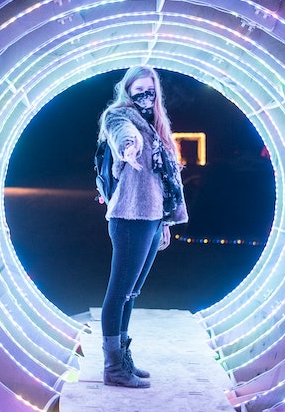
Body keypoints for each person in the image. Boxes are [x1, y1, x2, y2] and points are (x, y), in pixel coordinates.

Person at [97, 66, 189, 388]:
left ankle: (122, 359)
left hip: (150, 219)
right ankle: (113, 368)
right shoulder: (119, 116)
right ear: (128, 91)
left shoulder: (156, 125)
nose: (145, 97)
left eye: (150, 92)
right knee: (118, 292)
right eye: (138, 92)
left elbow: (163, 180)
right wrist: (129, 149)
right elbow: (123, 134)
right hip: (128, 218)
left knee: (131, 294)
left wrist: (165, 222)